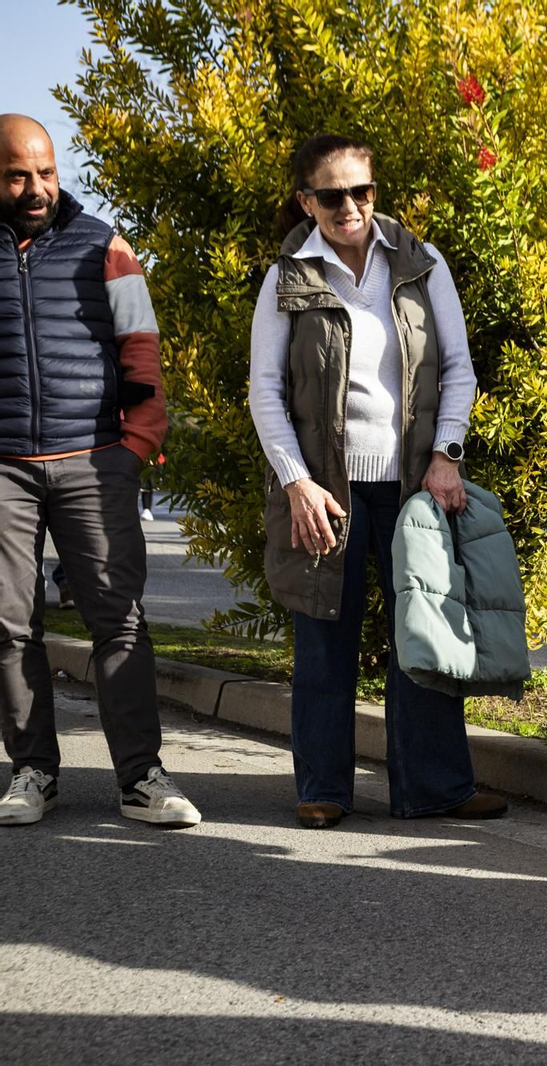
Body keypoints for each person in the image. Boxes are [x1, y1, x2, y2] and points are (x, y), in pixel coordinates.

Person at [249, 133, 507, 829]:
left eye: (360, 191)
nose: (349, 207)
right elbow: (266, 390)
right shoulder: (288, 276)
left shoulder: (421, 264)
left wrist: (447, 453)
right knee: (323, 640)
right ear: (307, 201)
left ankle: (436, 787)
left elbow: (458, 368)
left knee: (424, 636)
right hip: (324, 490)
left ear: (374, 191)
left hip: (414, 485)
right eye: (331, 196)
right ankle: (324, 789)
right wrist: (296, 482)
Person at [0, 115, 202, 829]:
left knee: (119, 621)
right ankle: (32, 772)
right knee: (9, 625)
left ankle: (142, 778)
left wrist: (136, 445)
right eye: (18, 175)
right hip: (6, 471)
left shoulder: (104, 244)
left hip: (94, 460)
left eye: (46, 172)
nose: (36, 188)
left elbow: (140, 343)